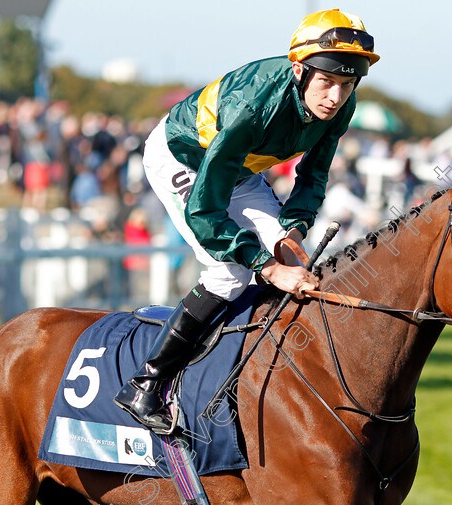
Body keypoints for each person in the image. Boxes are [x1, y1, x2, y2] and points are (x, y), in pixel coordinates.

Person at [114, 8, 379, 433]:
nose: (335, 97)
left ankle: (252, 376)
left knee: (296, 261)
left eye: (348, 85)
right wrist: (267, 265)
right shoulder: (251, 105)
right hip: (183, 159)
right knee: (231, 273)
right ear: (299, 70)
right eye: (327, 82)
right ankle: (146, 383)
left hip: (237, 168)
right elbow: (205, 210)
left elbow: (313, 176)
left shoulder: (340, 107)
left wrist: (293, 232)